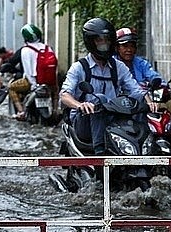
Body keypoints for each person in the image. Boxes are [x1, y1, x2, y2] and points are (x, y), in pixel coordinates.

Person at [60, 17, 155, 155]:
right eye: (100, 40)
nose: (104, 44)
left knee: (138, 104)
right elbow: (64, 95)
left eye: (107, 40)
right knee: (100, 98)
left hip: (113, 120)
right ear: (91, 42)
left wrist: (150, 103)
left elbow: (136, 90)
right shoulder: (79, 67)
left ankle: (147, 152)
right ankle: (100, 153)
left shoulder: (118, 67)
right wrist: (80, 105)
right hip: (84, 122)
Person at [8, 24, 46, 121]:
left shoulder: (24, 50)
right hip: (47, 82)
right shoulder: (47, 48)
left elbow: (25, 69)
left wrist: (33, 83)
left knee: (11, 87)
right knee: (55, 93)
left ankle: (21, 112)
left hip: (30, 82)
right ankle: (55, 111)